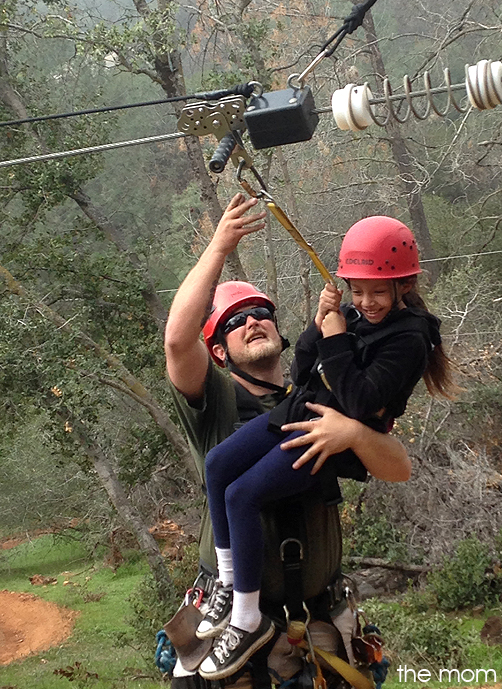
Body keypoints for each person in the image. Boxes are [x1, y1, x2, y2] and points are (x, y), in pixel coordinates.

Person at [164, 193, 412, 688]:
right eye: (235, 321)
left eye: (260, 311)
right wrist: (218, 247)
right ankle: (241, 612)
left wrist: (354, 433)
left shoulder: (323, 392)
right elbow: (176, 340)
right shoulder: (214, 402)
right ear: (217, 350)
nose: (252, 320)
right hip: (234, 629)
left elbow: (398, 468)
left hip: (317, 620)